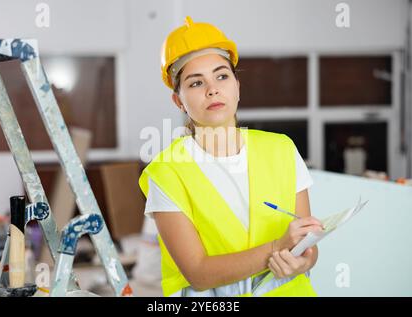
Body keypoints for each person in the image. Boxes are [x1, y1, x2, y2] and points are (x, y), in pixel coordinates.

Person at [138, 16, 324, 297]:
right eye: (196, 83)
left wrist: (301, 262)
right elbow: (198, 274)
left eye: (221, 76)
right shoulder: (166, 172)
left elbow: (309, 248)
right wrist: (277, 248)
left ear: (237, 85)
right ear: (179, 101)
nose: (213, 89)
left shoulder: (282, 149)